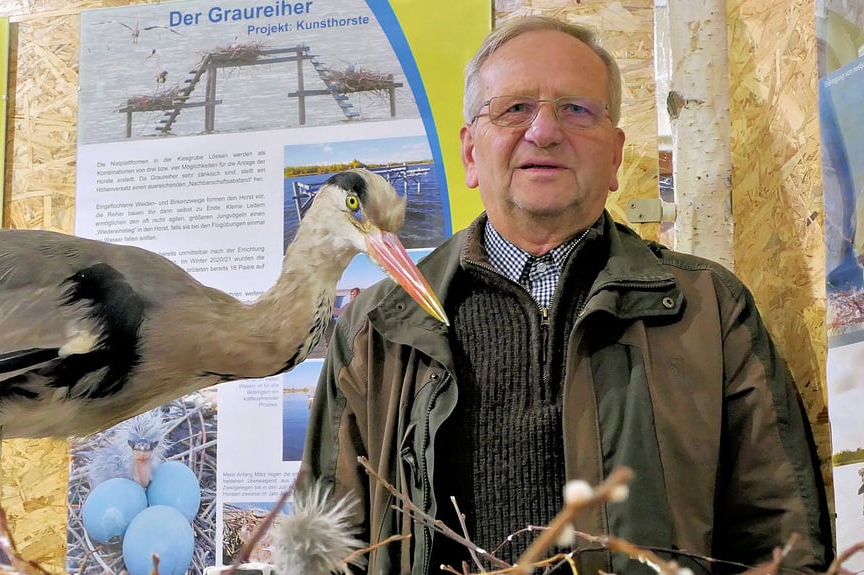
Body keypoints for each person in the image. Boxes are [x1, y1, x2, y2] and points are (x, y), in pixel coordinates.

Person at [301, 15, 833, 575]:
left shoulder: (706, 308)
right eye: (514, 109)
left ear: (614, 156)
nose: (544, 131)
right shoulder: (377, 327)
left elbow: (782, 543)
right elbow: (329, 555)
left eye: (576, 110)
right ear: (470, 153)